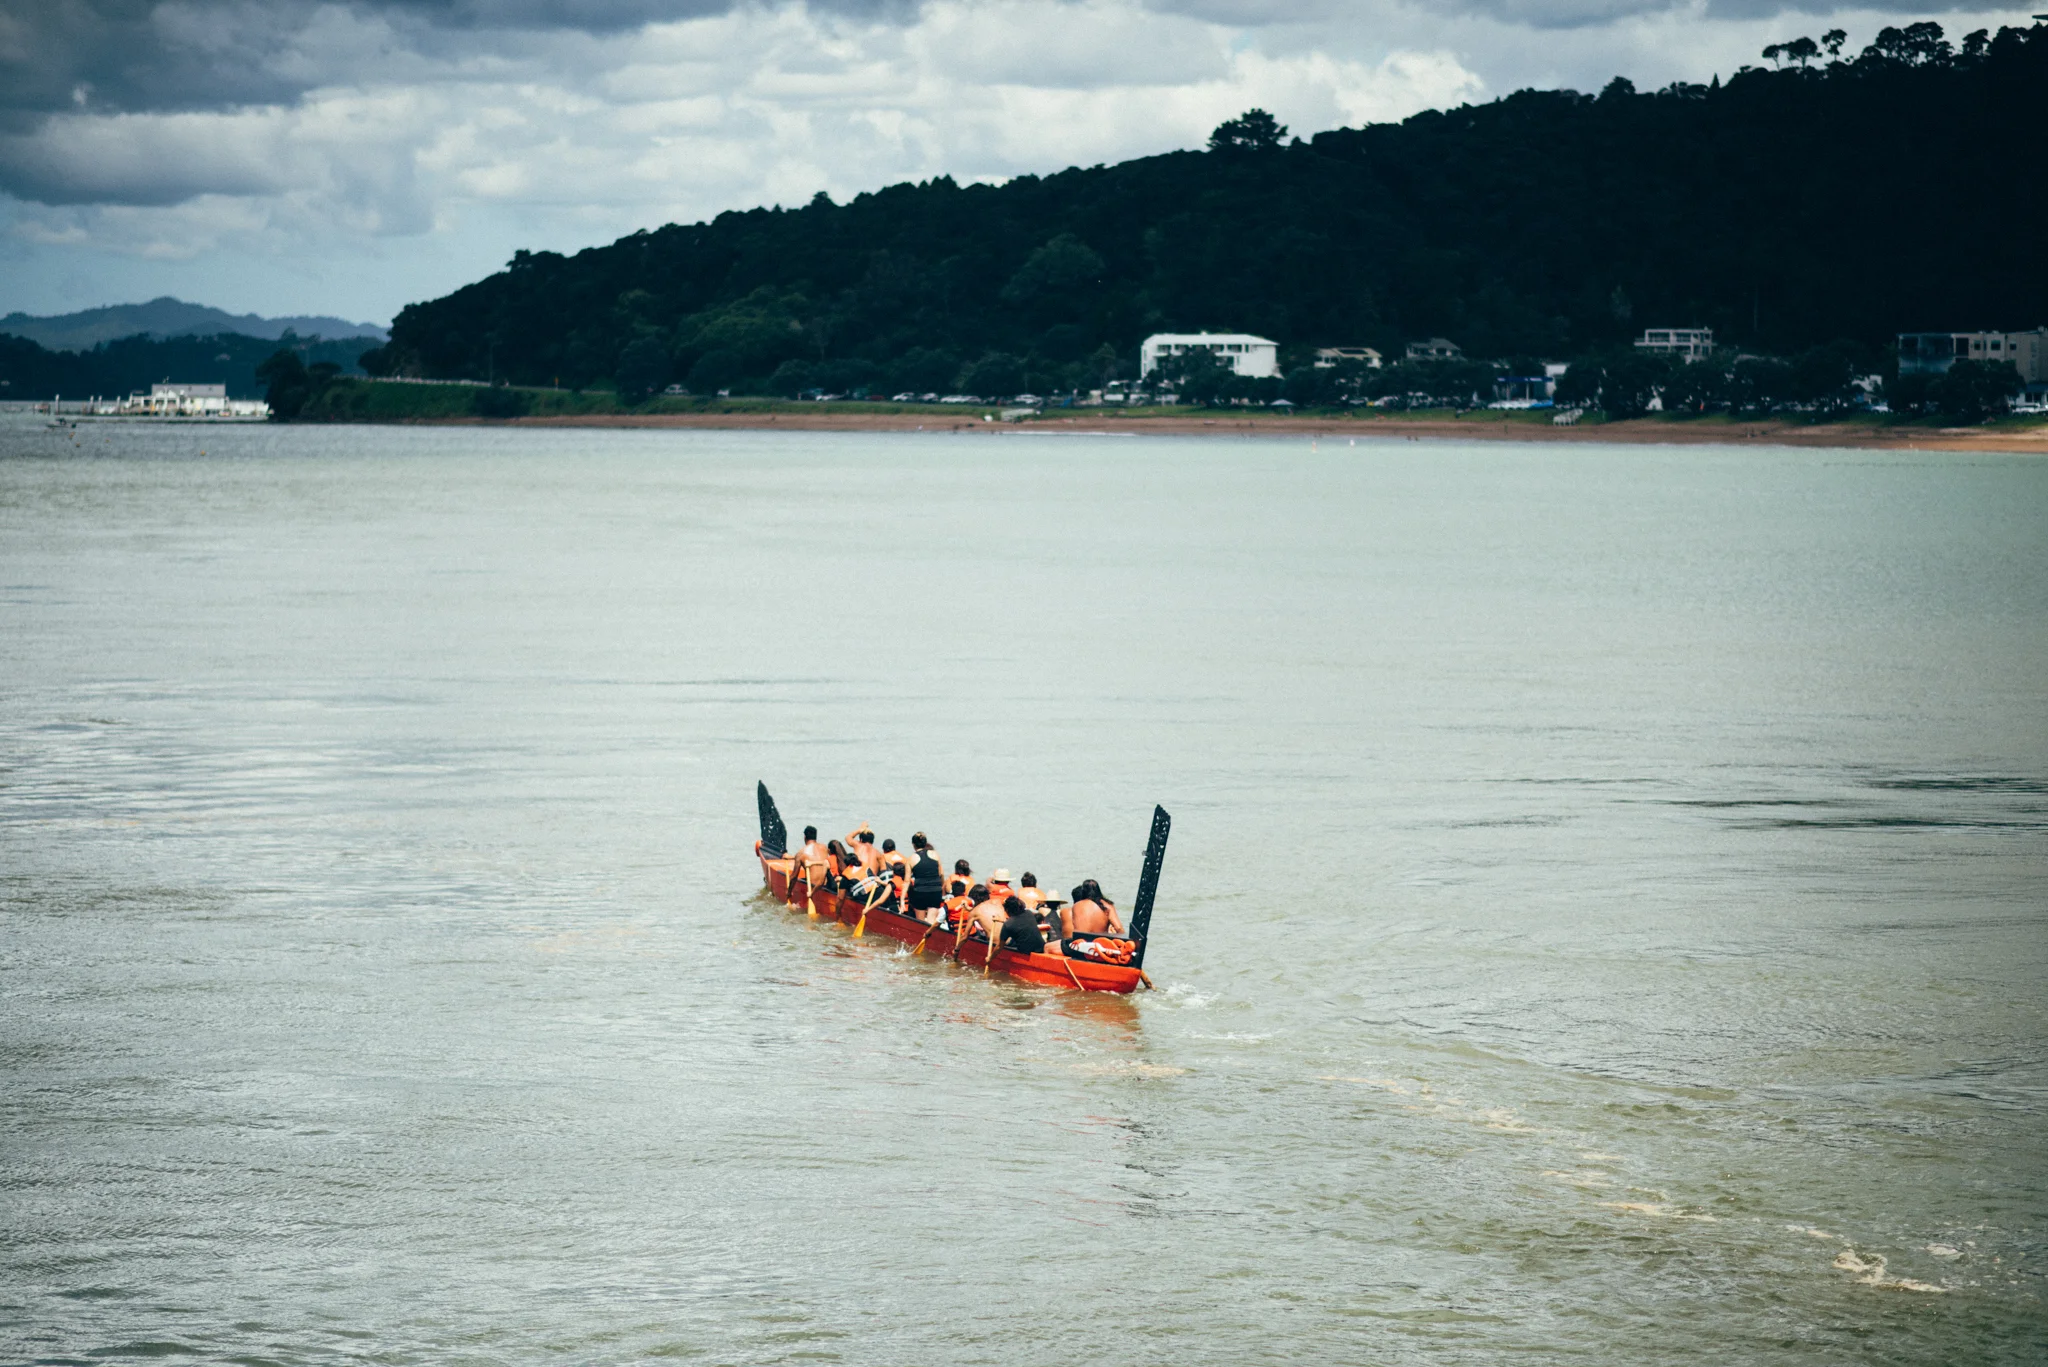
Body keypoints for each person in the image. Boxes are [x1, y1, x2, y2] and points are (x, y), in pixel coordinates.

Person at [1061, 879, 1125, 939]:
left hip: (1080, 943)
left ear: (1083, 892)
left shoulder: (1076, 906)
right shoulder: (1107, 905)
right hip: (1099, 942)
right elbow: (1119, 928)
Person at [906, 833, 946, 924]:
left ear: (913, 844)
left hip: (920, 892)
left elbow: (906, 882)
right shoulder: (935, 854)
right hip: (935, 891)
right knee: (931, 920)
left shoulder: (911, 858)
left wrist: (901, 900)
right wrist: (942, 889)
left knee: (920, 923)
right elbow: (941, 874)